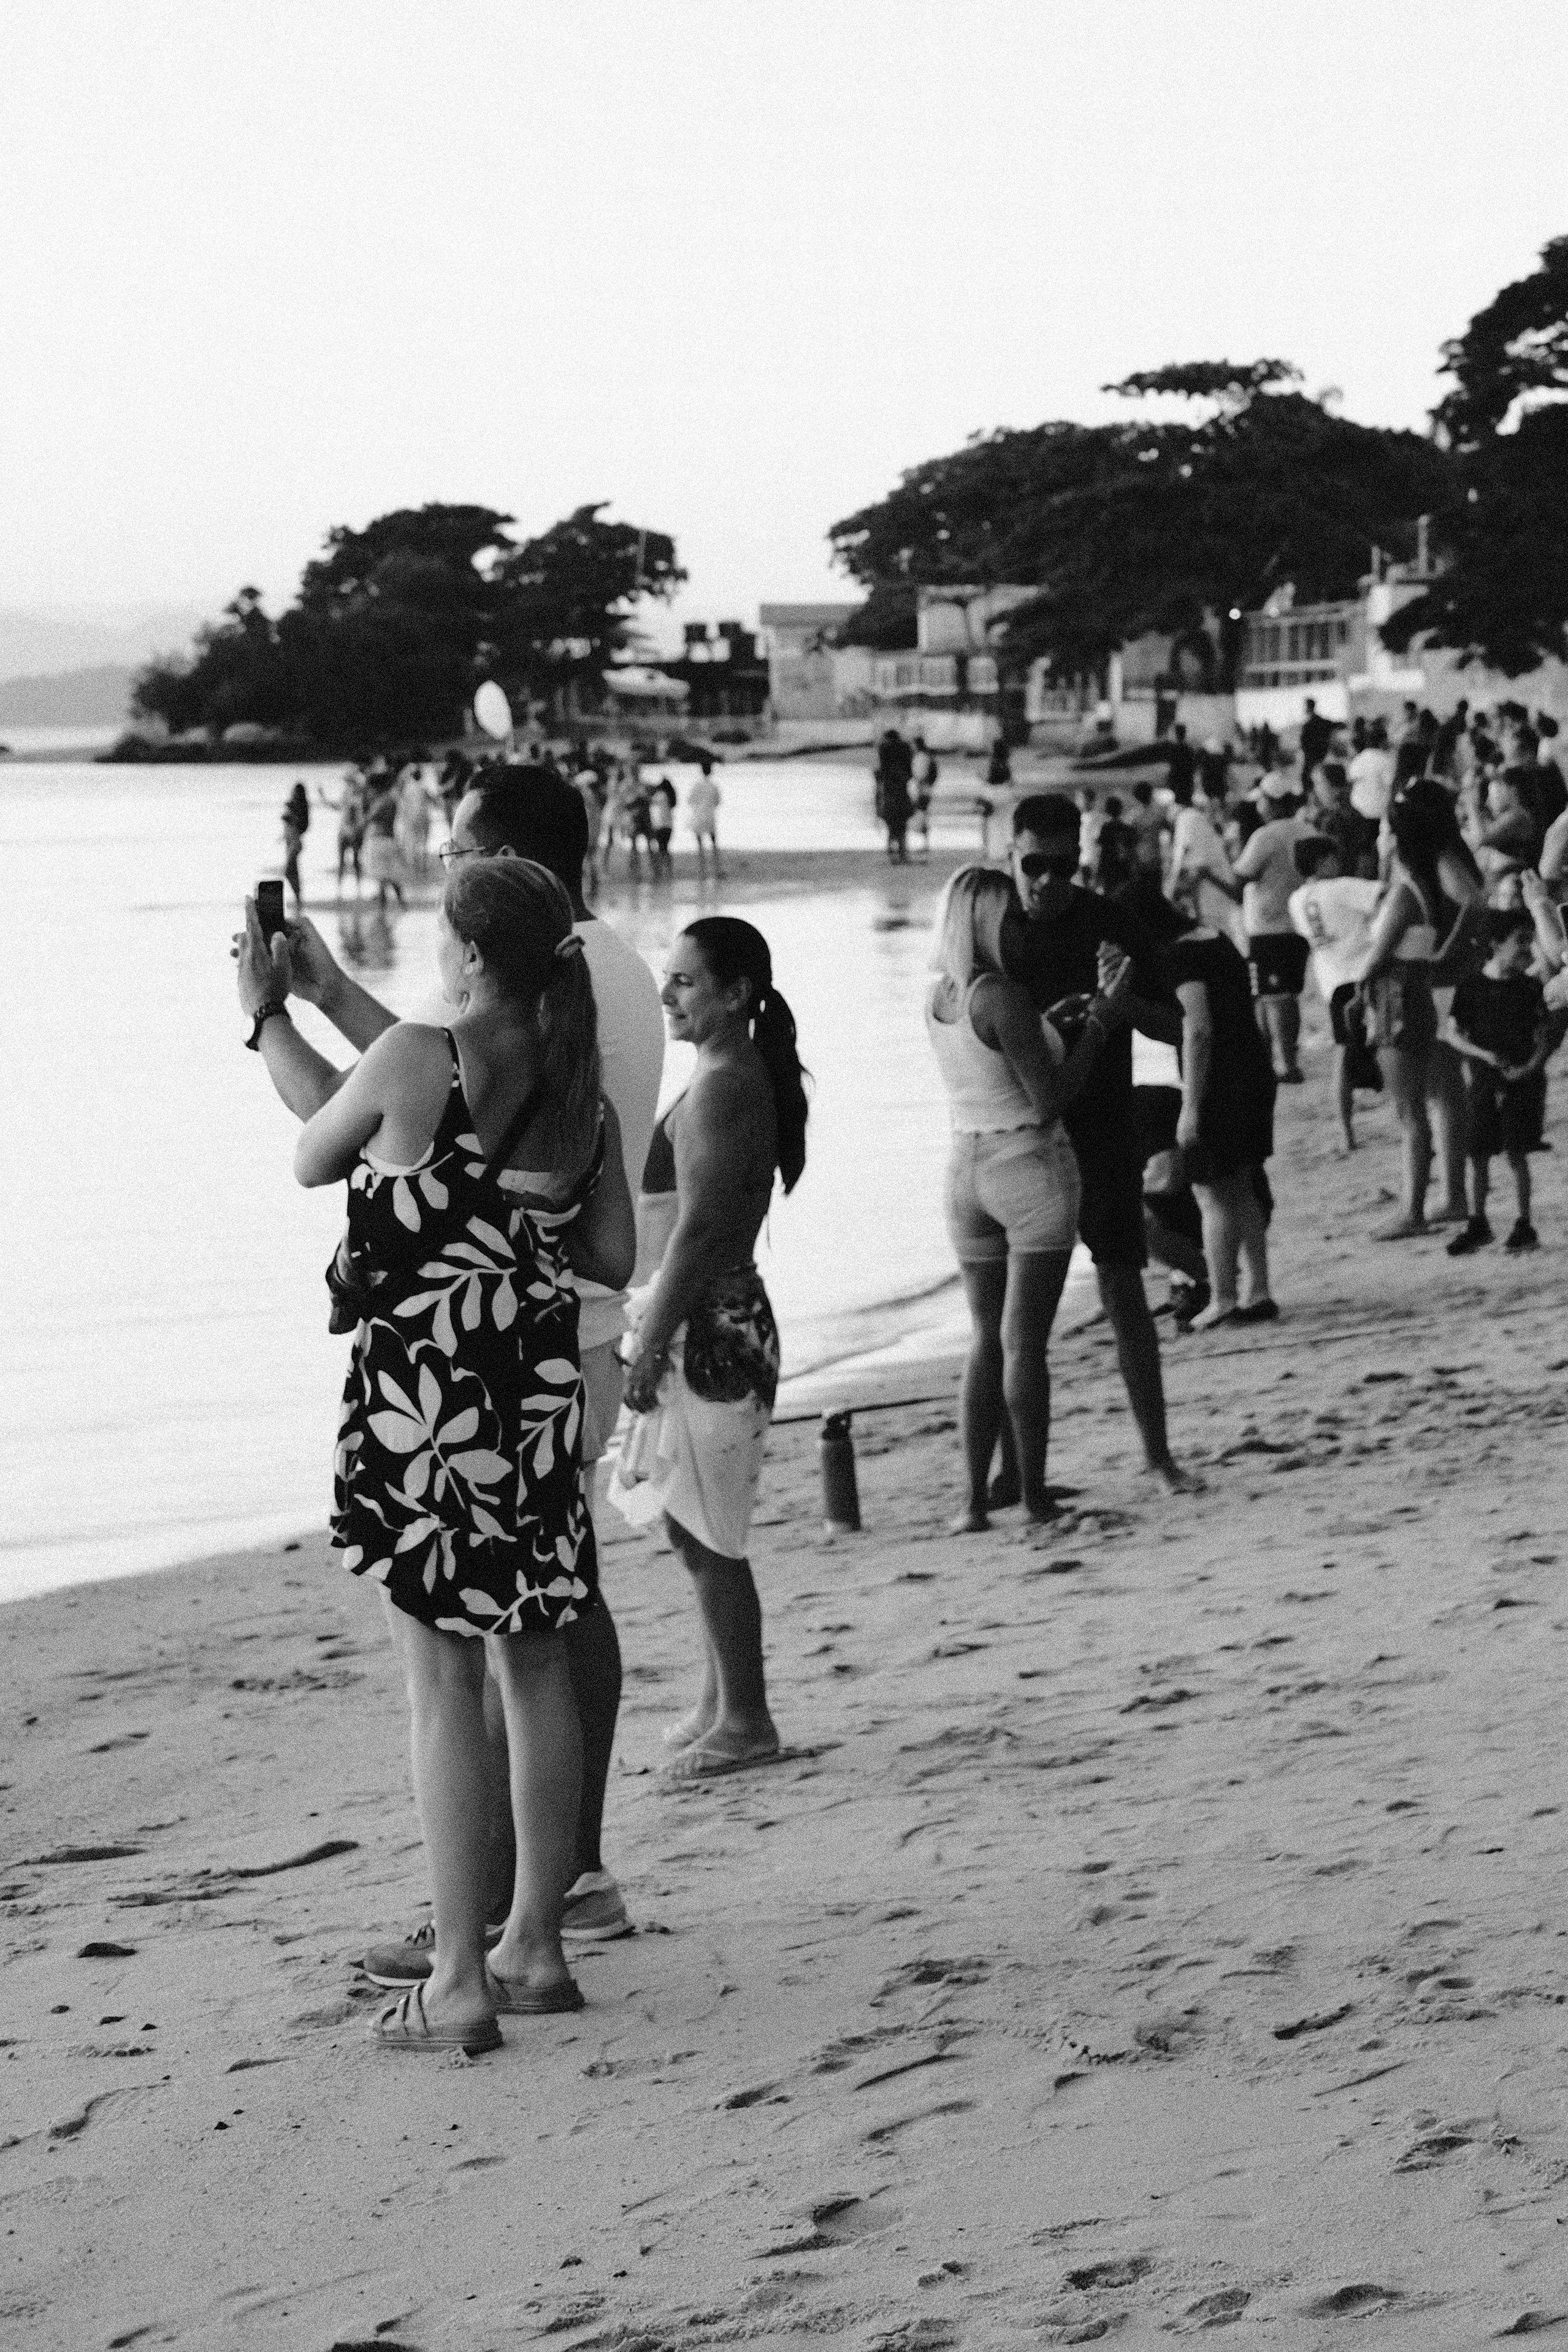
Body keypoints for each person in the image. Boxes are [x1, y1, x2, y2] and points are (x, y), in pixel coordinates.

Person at [238, 764, 665, 1970]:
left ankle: (459, 1970)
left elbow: (321, 1138)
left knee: (440, 1688)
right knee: (532, 1664)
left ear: (470, 955)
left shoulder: (425, 1060)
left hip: (424, 1403)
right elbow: (613, 1250)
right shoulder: (575, 1089)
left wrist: (268, 1011)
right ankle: (538, 1936)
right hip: (536, 1389)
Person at [611, 919, 809, 1778]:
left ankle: (750, 1717)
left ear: (737, 992)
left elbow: (694, 1232)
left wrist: (650, 1345)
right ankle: (719, 1698)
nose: (666, 995)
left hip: (710, 1325)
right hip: (700, 1314)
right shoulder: (722, 1074)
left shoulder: (728, 1084)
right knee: (691, 1529)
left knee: (713, 1534)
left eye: (686, 981)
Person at [925, 866, 1132, 1531]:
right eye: (1008, 915)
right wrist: (1098, 1023)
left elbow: (992, 1062)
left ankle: (970, 1499)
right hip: (1027, 1166)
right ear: (987, 922)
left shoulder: (941, 996)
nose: (1018, 924)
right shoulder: (1001, 995)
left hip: (964, 1169)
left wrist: (1046, 1025)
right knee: (1025, 1345)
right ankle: (1034, 1494)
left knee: (984, 1339)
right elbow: (1049, 1098)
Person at [1002, 795, 1193, 1493]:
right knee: (1009, 1314)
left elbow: (1175, 1025)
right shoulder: (996, 926)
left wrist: (1119, 1007)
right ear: (1009, 853)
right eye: (1033, 865)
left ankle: (1158, 1454)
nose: (1048, 880)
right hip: (1018, 1135)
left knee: (1121, 1283)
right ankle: (1011, 1474)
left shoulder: (1110, 921)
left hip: (1101, 1124)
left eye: (1062, 864)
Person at [1350, 777, 1486, 1240]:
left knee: (1434, 1098)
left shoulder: (1435, 859)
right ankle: (1452, 1194)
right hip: (1437, 979)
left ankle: (1438, 1198)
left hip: (1430, 981)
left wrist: (1445, 952)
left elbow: (1471, 899)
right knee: (1445, 1094)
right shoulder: (1444, 853)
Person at [1155, 900, 1279, 1329]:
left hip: (1220, 1083)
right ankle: (1258, 1290)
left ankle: (1224, 1296)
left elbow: (1198, 1029)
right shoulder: (1213, 938)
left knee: (1211, 1194)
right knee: (1242, 1186)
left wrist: (1190, 1106)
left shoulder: (1176, 957)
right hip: (1252, 1070)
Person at [1445, 912, 1551, 1256]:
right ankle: (1479, 1222)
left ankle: (1523, 1223)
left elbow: (1545, 1038)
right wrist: (1485, 1056)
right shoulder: (1472, 986)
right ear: (1495, 944)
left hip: (1522, 1082)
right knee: (1477, 1152)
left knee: (1516, 1151)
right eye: (1519, 941)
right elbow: (1450, 1033)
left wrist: (1528, 1068)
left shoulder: (1530, 987)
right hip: (1485, 1080)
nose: (1527, 949)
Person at [1288, 839, 1383, 1152]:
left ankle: (1346, 1131)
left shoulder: (1297, 900)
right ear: (1321, 863)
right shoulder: (1341, 887)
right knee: (1389, 1046)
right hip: (1362, 972)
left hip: (1332, 981)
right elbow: (1384, 894)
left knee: (1343, 1054)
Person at [1231, 802, 1324, 1082]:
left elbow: (1241, 877)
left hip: (1268, 927)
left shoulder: (1265, 836)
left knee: (1273, 999)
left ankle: (1283, 1065)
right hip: (1297, 922)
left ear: (1270, 804)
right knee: (1285, 997)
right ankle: (1285, 1061)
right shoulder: (1307, 829)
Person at [361, 777, 406, 913]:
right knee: (390, 875)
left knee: (383, 877)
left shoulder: (382, 802)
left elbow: (367, 819)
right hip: (388, 840)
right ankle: (400, 904)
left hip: (380, 841)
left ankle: (384, 909)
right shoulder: (390, 800)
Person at [874, 729, 914, 862]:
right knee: (902, 827)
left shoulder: (884, 750)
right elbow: (910, 773)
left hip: (889, 795)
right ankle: (903, 853)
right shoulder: (905, 750)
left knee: (891, 827)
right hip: (902, 794)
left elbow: (879, 775)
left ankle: (893, 854)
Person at [688, 757, 722, 877]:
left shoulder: (697, 786)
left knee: (700, 844)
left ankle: (702, 871)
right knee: (713, 843)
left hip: (698, 816)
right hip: (710, 817)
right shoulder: (713, 786)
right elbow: (717, 802)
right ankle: (716, 870)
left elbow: (690, 801)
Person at [281, 780, 310, 910]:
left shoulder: (297, 808)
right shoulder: (298, 807)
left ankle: (298, 898)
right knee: (294, 871)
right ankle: (298, 899)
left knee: (289, 871)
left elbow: (300, 826)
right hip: (292, 842)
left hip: (294, 843)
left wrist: (289, 817)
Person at [910, 737, 938, 859]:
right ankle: (925, 843)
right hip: (926, 789)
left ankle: (923, 843)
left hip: (921, 789)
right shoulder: (927, 756)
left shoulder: (920, 757)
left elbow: (919, 775)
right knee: (923, 814)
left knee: (920, 814)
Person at [648, 775, 676, 874]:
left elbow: (650, 800)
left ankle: (660, 870)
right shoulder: (669, 796)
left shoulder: (661, 795)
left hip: (660, 825)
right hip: (668, 826)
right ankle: (668, 869)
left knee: (661, 848)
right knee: (665, 848)